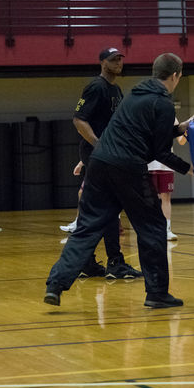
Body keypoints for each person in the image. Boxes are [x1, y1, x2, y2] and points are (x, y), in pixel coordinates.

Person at [44, 52, 194, 309]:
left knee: (87, 228)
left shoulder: (134, 95)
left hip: (100, 163)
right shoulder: (163, 104)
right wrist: (189, 168)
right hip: (127, 167)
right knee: (152, 226)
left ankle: (55, 286)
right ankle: (157, 293)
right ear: (175, 75)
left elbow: (144, 134)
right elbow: (159, 152)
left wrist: (179, 129)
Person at [60, 46, 142, 280]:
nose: (118, 63)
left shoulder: (115, 89)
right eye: (113, 59)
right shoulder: (96, 87)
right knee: (109, 208)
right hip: (100, 156)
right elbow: (78, 120)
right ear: (103, 63)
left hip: (109, 155)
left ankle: (87, 261)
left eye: (120, 59)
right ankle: (114, 262)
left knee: (99, 209)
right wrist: (99, 146)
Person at [148, 118, 184, 241]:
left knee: (166, 197)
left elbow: (181, 140)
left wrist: (190, 130)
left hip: (167, 164)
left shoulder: (171, 116)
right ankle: (151, 229)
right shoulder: (145, 113)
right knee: (149, 199)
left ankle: (167, 229)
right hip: (148, 163)